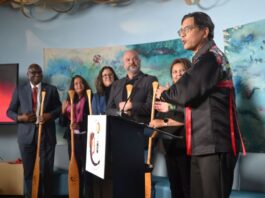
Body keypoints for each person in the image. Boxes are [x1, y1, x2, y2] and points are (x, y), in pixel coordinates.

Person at [156, 12, 246, 198]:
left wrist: (164, 93)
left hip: (215, 145)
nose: (182, 34)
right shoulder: (201, 59)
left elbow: (185, 92)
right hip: (202, 146)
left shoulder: (211, 58)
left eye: (187, 29)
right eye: (181, 30)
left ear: (205, 32)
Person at [7, 63, 61, 198]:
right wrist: (21, 117)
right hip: (26, 137)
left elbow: (59, 109)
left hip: (46, 135)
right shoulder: (19, 90)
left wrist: (49, 115)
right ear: (27, 74)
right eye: (33, 72)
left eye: (39, 72)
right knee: (29, 172)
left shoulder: (52, 89)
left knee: (46, 172)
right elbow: (9, 111)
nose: (36, 74)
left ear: (42, 74)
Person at [149, 58, 191, 198]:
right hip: (170, 147)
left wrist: (163, 122)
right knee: (175, 188)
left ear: (189, 72)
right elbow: (161, 116)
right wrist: (155, 121)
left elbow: (190, 118)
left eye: (181, 71)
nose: (178, 74)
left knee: (187, 188)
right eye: (174, 71)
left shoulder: (191, 92)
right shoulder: (168, 93)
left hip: (186, 147)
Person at [59, 75, 93, 198]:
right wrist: (63, 112)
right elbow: (62, 123)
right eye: (75, 83)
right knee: (76, 170)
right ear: (72, 86)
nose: (78, 85)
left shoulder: (90, 97)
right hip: (73, 140)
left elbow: (93, 119)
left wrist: (80, 126)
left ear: (84, 84)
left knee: (88, 171)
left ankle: (88, 195)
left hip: (86, 139)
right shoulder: (68, 101)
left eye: (81, 82)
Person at [106, 50, 158, 124]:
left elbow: (152, 108)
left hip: (140, 129)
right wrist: (120, 112)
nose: (131, 62)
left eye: (135, 59)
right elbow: (108, 110)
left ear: (139, 61)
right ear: (124, 64)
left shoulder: (150, 80)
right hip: (118, 127)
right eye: (128, 60)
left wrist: (132, 105)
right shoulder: (116, 84)